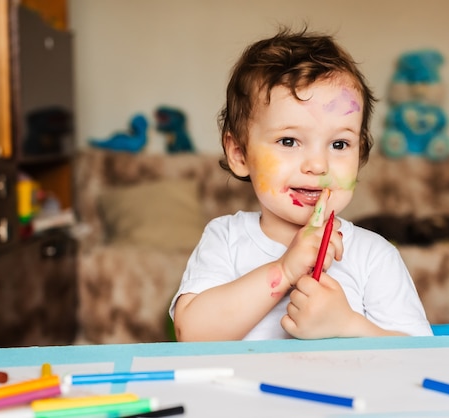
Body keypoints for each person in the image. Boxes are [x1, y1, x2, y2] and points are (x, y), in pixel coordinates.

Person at [170, 26, 432, 341]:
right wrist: (284, 269)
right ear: (240, 154)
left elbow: (420, 356)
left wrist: (348, 326)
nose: (318, 165)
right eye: (289, 140)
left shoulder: (374, 256)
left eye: (339, 144)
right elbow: (192, 334)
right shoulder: (225, 239)